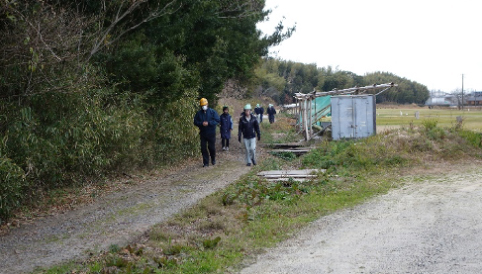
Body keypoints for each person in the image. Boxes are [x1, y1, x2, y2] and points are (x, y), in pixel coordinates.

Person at [193, 98, 220, 167]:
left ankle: (213, 159)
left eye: (204, 105)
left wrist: (209, 123)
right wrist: (201, 123)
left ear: (207, 104)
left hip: (211, 133)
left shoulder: (212, 112)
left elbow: (217, 120)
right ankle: (206, 162)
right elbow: (195, 121)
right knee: (203, 148)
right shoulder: (199, 113)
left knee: (211, 147)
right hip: (203, 133)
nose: (203, 106)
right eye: (202, 105)